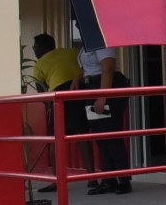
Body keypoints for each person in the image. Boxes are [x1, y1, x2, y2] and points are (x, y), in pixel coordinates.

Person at [25, 33, 84, 191]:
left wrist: (49, 108)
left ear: (42, 48)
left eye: (35, 47)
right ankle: (92, 177)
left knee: (54, 142)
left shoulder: (39, 65)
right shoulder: (71, 51)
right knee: (83, 137)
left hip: (59, 98)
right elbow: (83, 68)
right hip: (80, 94)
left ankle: (57, 181)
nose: (34, 50)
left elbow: (42, 94)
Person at [78, 43, 132, 195]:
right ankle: (108, 179)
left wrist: (103, 97)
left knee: (111, 134)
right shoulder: (86, 46)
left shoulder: (102, 43)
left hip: (103, 88)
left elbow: (107, 69)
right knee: (100, 136)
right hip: (91, 87)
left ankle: (124, 180)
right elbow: (87, 68)